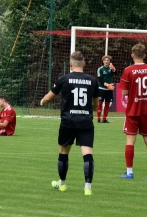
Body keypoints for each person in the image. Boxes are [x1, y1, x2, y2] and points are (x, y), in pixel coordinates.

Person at [40, 51, 99, 196]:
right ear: (84, 63)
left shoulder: (63, 79)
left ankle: (63, 183)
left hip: (68, 121)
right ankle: (87, 187)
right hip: (85, 121)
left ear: (71, 64)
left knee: (63, 152)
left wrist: (42, 101)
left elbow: (48, 98)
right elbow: (96, 105)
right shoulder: (92, 80)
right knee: (87, 154)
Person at [119, 43, 147, 180]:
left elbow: (125, 92)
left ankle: (129, 172)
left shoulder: (128, 70)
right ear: (144, 55)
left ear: (132, 55)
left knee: (130, 140)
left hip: (132, 110)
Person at [96, 55, 116, 123]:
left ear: (109, 61)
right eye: (105, 60)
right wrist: (106, 84)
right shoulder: (100, 69)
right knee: (100, 104)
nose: (106, 61)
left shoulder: (111, 68)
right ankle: (98, 119)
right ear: (103, 61)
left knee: (107, 104)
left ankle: (104, 119)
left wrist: (114, 70)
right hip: (101, 88)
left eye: (108, 60)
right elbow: (99, 79)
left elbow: (115, 74)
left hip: (109, 90)